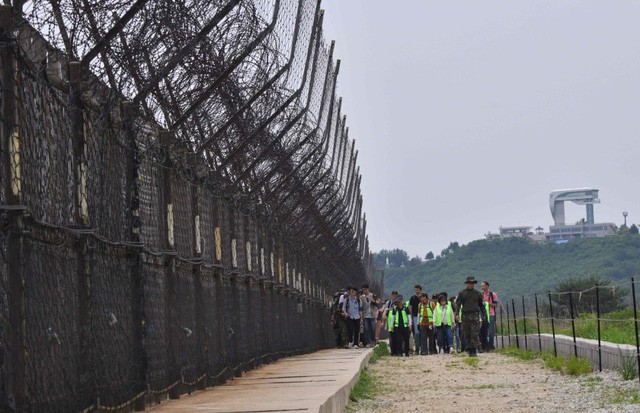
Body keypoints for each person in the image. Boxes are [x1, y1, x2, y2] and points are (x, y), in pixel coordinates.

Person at [455, 276, 486, 357]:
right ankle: (469, 348)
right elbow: (458, 304)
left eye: (473, 283)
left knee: (474, 333)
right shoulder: (462, 293)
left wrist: (484, 315)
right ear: (467, 284)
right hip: (465, 315)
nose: (471, 285)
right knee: (466, 333)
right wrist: (457, 314)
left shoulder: (478, 294)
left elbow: (481, 305)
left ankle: (474, 350)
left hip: (475, 314)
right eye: (470, 283)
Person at [481, 280, 500, 352]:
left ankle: (491, 346)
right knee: (484, 332)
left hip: (491, 314)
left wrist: (488, 303)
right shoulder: (481, 294)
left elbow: (495, 305)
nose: (482, 287)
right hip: (483, 315)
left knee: (491, 331)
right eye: (481, 286)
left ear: (487, 286)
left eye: (483, 286)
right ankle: (485, 346)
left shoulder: (493, 294)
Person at [409, 285, 422, 354]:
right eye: (415, 290)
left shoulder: (423, 297)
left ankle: (422, 348)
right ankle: (417, 348)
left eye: (418, 290)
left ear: (420, 290)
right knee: (416, 332)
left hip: (423, 316)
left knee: (422, 332)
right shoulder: (412, 298)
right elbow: (410, 307)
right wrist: (410, 317)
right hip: (415, 316)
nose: (416, 291)